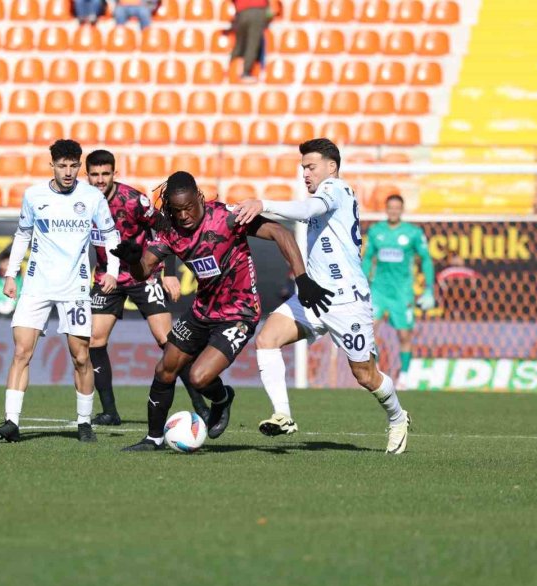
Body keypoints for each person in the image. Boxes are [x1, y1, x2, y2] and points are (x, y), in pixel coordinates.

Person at [111, 171, 327, 451]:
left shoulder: (227, 217)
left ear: (199, 198)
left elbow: (279, 232)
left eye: (189, 207)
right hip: (202, 311)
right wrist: (132, 261)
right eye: (178, 211)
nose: (185, 215)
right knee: (165, 369)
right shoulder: (170, 232)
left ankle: (222, 398)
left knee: (198, 377)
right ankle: (153, 439)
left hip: (239, 313)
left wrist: (301, 278)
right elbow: (143, 271)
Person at [233, 138, 412, 454]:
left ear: (331, 167)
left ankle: (398, 417)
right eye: (303, 168)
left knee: (365, 375)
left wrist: (264, 203)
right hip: (315, 297)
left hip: (347, 301)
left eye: (310, 167)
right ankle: (283, 415)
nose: (305, 174)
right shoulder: (322, 194)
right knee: (266, 339)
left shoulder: (337, 189)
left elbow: (306, 209)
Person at [0, 139, 120, 444]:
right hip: (36, 286)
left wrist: (112, 272)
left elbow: (111, 236)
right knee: (22, 351)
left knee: (81, 357)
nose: (68, 171)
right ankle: (11, 421)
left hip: (74, 287)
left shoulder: (91, 197)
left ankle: (84, 421)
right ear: (53, 165)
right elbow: (22, 234)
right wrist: (12, 275)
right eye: (62, 165)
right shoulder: (34, 196)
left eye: (74, 165)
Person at [85, 150, 209, 426]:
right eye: (94, 174)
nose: (99, 180)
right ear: (88, 175)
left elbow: (166, 227)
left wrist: (168, 271)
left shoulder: (133, 200)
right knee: (95, 339)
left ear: (114, 174)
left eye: (105, 174)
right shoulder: (82, 201)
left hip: (143, 274)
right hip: (108, 277)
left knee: (168, 341)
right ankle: (110, 412)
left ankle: (201, 406)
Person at [361, 194, 435, 390]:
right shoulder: (376, 231)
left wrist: (429, 290)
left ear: (402, 210)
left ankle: (404, 376)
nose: (393, 210)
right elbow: (368, 258)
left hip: (402, 293)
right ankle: (373, 374)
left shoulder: (412, 233)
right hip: (379, 290)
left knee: (404, 335)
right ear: (386, 209)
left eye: (397, 207)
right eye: (390, 207)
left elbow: (426, 259)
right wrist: (362, 282)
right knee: (368, 330)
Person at [230, 0, 271, 82]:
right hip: (257, 11)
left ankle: (231, 70)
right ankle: (245, 72)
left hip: (242, 12)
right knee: (252, 43)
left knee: (240, 44)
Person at [0, 251, 21, 316]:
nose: (7, 265)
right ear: (0, 264)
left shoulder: (20, 280)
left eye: (9, 263)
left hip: (16, 315)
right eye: (5, 262)